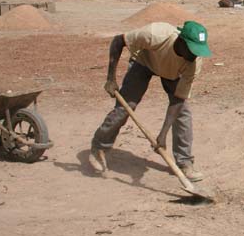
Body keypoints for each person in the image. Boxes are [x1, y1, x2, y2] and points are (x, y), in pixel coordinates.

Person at [89, 20, 211, 181]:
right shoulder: (156, 34)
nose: (194, 55)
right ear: (181, 41)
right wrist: (111, 78)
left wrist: (163, 134)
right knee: (125, 109)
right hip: (144, 62)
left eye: (198, 51)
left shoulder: (194, 63)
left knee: (183, 113)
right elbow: (119, 41)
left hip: (173, 73)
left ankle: (184, 162)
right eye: (192, 50)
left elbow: (178, 100)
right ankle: (99, 148)